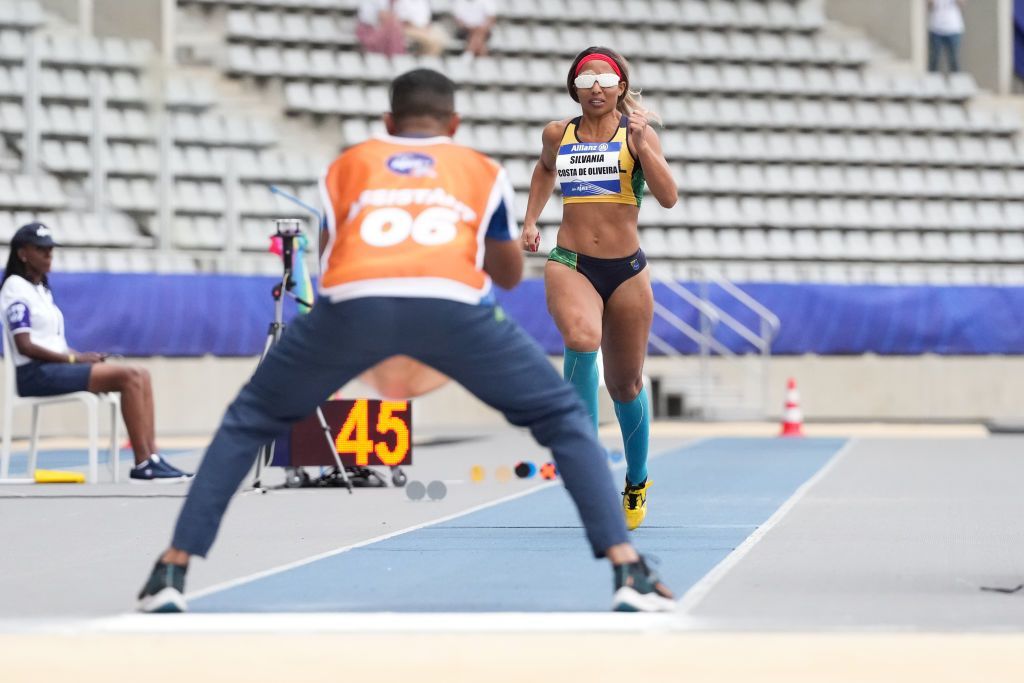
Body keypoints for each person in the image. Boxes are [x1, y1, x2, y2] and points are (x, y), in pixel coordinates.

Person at [136, 69, 675, 614]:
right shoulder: (479, 170)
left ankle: (172, 569)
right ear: (455, 123)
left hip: (354, 306)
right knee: (564, 419)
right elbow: (508, 274)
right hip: (451, 307)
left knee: (248, 419)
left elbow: (327, 262)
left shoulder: (344, 167)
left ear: (387, 121)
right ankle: (625, 566)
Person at [520, 47, 678, 531]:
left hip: (627, 270)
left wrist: (643, 146)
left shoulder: (639, 135)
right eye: (585, 79)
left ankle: (636, 480)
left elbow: (669, 198)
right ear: (574, 88)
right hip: (571, 261)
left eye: (603, 79)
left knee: (626, 384)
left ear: (620, 88)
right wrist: (530, 219)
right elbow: (546, 168)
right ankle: (586, 463)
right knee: (583, 339)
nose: (594, 87)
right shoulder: (557, 133)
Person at [0, 223, 191, 482]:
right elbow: (25, 346)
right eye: (41, 249)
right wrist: (73, 359)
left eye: (51, 250)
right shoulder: (15, 288)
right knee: (131, 376)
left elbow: (53, 343)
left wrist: (81, 355)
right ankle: (143, 463)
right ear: (23, 254)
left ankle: (153, 457)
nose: (48, 255)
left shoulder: (41, 290)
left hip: (54, 368)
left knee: (142, 374)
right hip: (34, 374)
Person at [928, 0, 966, 74]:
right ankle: (932, 80)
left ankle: (956, 80)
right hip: (936, 28)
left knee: (953, 59)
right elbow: (929, 6)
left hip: (953, 28)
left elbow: (962, 4)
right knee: (934, 58)